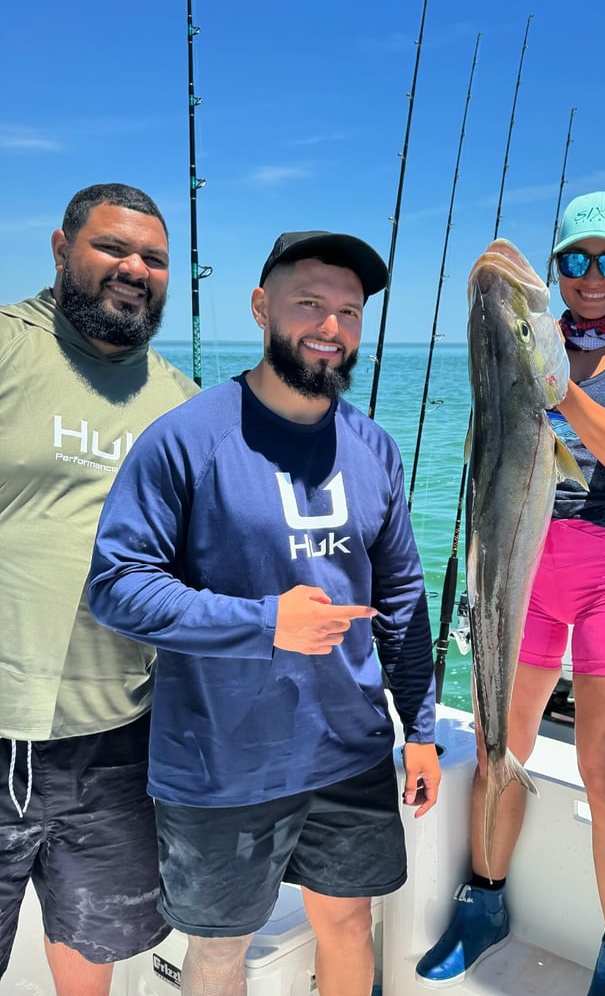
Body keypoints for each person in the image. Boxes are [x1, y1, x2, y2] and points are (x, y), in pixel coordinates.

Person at [87, 230, 441, 996]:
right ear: (261, 307)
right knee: (222, 950)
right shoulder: (186, 436)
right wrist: (264, 623)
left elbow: (404, 602)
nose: (330, 326)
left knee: (348, 925)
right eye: (308, 302)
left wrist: (421, 729)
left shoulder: (374, 447)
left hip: (350, 751)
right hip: (222, 763)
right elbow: (117, 584)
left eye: (349, 311)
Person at [416, 191, 605, 995]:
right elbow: (495, 289)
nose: (591, 276)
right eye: (574, 259)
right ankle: (484, 902)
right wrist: (488, 302)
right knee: (502, 743)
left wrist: (549, 382)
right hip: (522, 567)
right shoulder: (522, 343)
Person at [0, 183, 199, 994]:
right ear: (60, 248)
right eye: (113, 248)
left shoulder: (182, 400)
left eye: (153, 258)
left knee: (95, 947)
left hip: (118, 736)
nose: (135, 269)